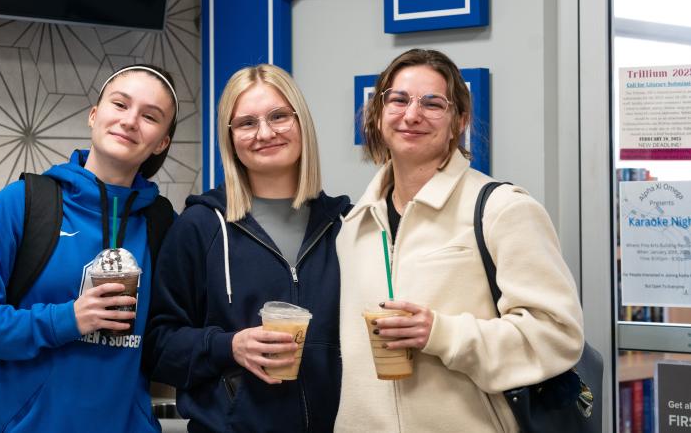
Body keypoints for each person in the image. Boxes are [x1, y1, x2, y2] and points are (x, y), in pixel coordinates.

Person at [334, 49, 585, 432]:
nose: (412, 115)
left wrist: (442, 333)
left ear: (459, 121)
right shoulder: (354, 225)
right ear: (378, 114)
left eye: (433, 103)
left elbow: (557, 334)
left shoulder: (502, 209)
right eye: (398, 100)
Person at [0, 64, 179, 433]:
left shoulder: (162, 223)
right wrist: (67, 320)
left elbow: (168, 335)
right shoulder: (22, 204)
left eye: (150, 116)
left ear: (161, 141)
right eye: (119, 104)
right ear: (94, 115)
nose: (130, 121)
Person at [144, 63, 350, 433]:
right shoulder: (201, 225)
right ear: (231, 138)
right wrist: (229, 346)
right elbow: (156, 346)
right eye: (247, 123)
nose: (265, 133)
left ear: (301, 123)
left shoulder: (345, 225)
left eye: (279, 116)